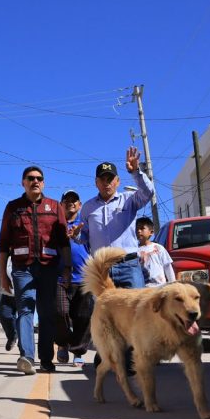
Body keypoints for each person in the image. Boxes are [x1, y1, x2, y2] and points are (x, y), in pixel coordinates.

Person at [77, 147, 155, 373]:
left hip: (128, 265)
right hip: (102, 270)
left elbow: (149, 192)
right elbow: (85, 237)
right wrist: (77, 236)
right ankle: (106, 356)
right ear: (96, 182)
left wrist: (136, 172)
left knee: (136, 311)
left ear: (118, 181)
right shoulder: (88, 208)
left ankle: (132, 359)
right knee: (103, 316)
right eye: (102, 179)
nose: (106, 183)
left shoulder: (130, 200)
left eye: (110, 178)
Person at [0, 166, 71, 374]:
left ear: (44, 183)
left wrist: (67, 268)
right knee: (26, 310)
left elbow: (64, 242)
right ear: (23, 183)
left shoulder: (55, 207)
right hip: (22, 268)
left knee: (47, 313)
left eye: (39, 178)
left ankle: (46, 360)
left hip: (49, 268)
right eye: (30, 178)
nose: (35, 181)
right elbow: (3, 244)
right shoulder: (13, 208)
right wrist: (3, 274)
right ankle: (26, 357)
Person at [55, 189, 90, 366]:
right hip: (60, 279)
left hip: (84, 278)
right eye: (67, 200)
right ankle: (62, 343)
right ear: (61, 204)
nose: (70, 203)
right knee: (61, 313)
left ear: (79, 205)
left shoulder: (86, 225)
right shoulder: (55, 225)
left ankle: (78, 351)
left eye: (74, 200)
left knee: (83, 317)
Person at [0, 258, 22, 356]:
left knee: (24, 319)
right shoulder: (1, 258)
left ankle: (24, 345)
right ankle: (12, 336)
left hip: (22, 294)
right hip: (4, 294)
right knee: (5, 317)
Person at [136, 216, 175, 286]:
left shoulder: (159, 248)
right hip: (143, 290)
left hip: (160, 287)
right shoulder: (135, 251)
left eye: (142, 228)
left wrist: (173, 284)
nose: (138, 231)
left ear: (151, 232)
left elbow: (167, 267)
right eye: (137, 229)